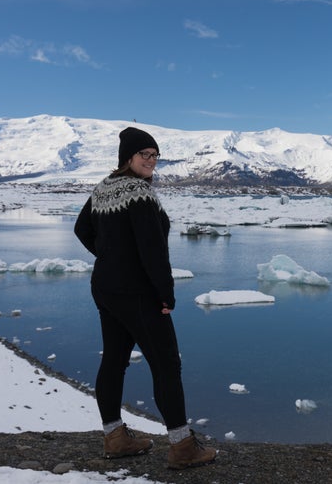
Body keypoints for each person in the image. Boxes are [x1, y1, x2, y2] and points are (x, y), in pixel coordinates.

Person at [74, 126, 217, 469]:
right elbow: (153, 251)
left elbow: (82, 229)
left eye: (155, 155)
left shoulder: (103, 188)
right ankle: (183, 447)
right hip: (137, 293)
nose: (151, 161)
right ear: (129, 157)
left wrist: (109, 257)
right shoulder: (140, 193)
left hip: (107, 289)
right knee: (166, 364)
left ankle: (115, 437)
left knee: (114, 360)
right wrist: (165, 294)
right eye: (145, 155)